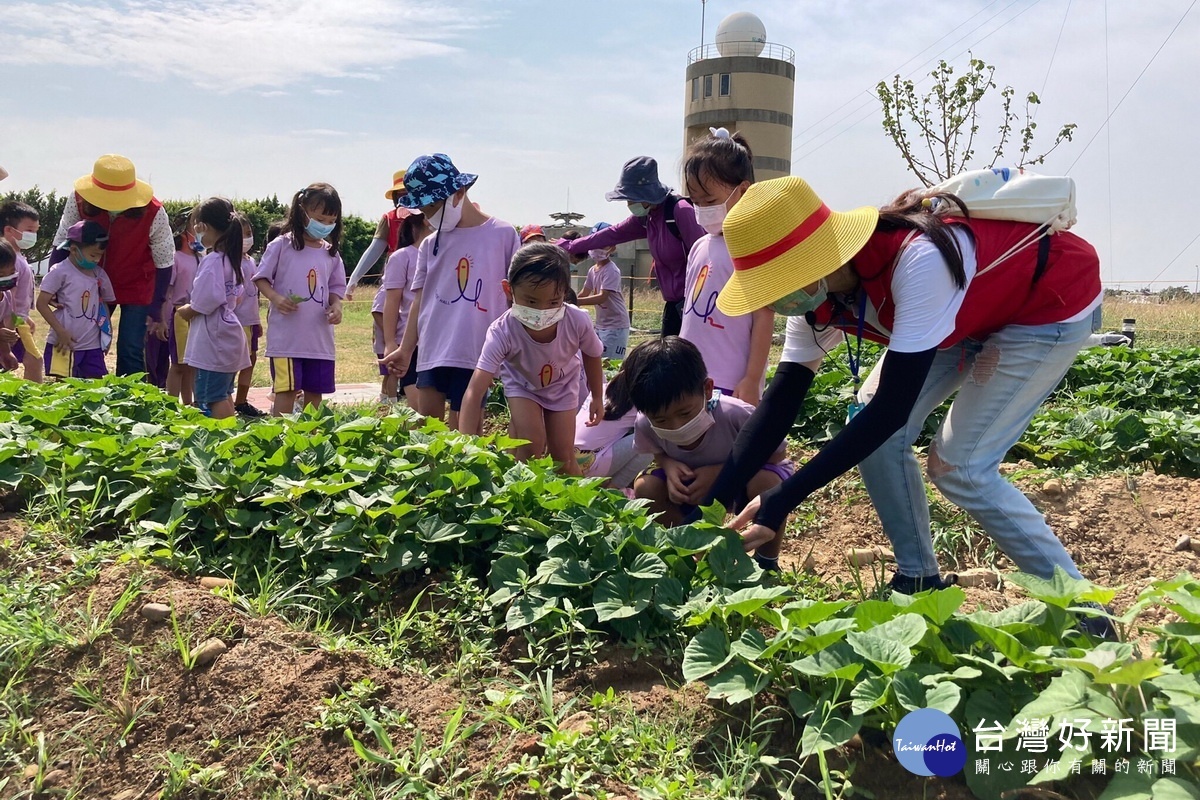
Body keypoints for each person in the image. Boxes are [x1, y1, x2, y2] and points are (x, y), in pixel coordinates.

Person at [704, 176, 1105, 602]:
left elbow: (893, 407)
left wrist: (784, 497)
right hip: (965, 316)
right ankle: (918, 579)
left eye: (774, 284)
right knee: (870, 427)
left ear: (814, 261)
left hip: (1044, 303)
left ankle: (1083, 609)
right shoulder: (812, 301)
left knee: (962, 466)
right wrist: (710, 506)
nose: (770, 301)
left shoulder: (918, 261)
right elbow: (781, 401)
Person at [617, 338, 793, 567]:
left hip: (745, 484)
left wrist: (720, 473)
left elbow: (776, 454)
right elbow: (656, 452)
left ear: (707, 389)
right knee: (645, 487)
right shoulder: (644, 424)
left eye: (685, 413)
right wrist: (668, 467)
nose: (675, 426)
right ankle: (694, 551)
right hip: (692, 488)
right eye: (661, 420)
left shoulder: (736, 414)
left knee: (768, 484)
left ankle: (766, 561)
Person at [380, 154, 520, 431]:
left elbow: (514, 296)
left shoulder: (502, 234)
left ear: (459, 192)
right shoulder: (430, 244)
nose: (429, 216)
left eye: (433, 206)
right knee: (429, 429)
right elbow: (420, 299)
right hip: (434, 348)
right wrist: (406, 349)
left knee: (468, 434)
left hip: (478, 351)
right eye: (424, 210)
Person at [458, 243, 604, 474]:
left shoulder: (577, 320)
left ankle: (574, 505)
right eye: (531, 302)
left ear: (565, 292)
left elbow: (593, 354)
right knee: (531, 445)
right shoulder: (502, 331)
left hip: (563, 386)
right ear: (509, 290)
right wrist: (465, 443)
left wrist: (597, 395)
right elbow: (475, 390)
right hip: (522, 386)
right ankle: (520, 499)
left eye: (553, 302)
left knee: (563, 456)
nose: (542, 311)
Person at [51, 155, 174, 377]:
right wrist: (55, 284)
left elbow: (164, 262)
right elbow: (62, 241)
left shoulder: (154, 211)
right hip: (89, 284)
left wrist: (157, 307)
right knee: (86, 341)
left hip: (137, 286)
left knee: (130, 348)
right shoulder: (78, 199)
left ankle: (131, 404)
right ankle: (84, 396)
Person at [556, 156, 704, 337]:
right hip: (673, 307)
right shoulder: (647, 217)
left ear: (647, 194)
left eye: (632, 198)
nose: (629, 204)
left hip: (695, 305)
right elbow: (612, 233)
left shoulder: (680, 211)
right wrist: (570, 245)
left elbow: (705, 258)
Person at [679, 129, 774, 406]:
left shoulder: (752, 247)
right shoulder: (700, 246)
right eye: (696, 203)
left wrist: (752, 378)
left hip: (732, 380)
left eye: (709, 202)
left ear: (743, 190)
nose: (702, 210)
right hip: (691, 374)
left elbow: (763, 319)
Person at [253, 184, 346, 415]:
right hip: (287, 341)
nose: (324, 225)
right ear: (302, 210)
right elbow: (261, 278)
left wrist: (336, 306)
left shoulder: (331, 252)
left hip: (319, 341)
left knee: (315, 392)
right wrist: (276, 298)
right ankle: (279, 440)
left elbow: (336, 289)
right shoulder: (282, 245)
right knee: (286, 390)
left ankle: (310, 440)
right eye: (319, 218)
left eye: (330, 220)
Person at [175, 199, 250, 419]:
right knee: (224, 393)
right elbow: (235, 297)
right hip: (228, 336)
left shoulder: (212, 260)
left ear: (203, 227)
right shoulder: (232, 260)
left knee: (212, 397)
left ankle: (223, 441)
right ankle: (230, 438)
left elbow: (206, 301)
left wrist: (186, 310)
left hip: (213, 341)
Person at [37, 221, 115, 380]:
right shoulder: (59, 272)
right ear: (73, 250)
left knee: (94, 389)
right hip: (64, 343)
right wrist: (61, 332)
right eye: (93, 255)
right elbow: (41, 304)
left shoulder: (99, 274)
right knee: (63, 387)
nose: (96, 260)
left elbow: (105, 304)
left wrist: (107, 333)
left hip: (92, 345)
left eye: (100, 256)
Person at [372, 212, 427, 406]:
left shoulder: (443, 256)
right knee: (417, 403)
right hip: (408, 338)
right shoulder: (402, 257)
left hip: (435, 339)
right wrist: (389, 342)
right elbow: (391, 301)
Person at [574, 368, 653, 491]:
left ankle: (607, 484)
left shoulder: (602, 388)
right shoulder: (639, 402)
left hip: (567, 458)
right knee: (652, 440)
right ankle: (614, 489)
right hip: (589, 464)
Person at [345, 170, 420, 298]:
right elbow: (374, 250)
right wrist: (354, 279)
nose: (405, 198)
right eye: (401, 194)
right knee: (381, 311)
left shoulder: (427, 218)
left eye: (408, 193)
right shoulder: (389, 219)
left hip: (420, 274)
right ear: (395, 197)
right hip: (394, 275)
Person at [0, 201, 45, 382]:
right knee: (34, 360)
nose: (33, 236)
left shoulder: (18, 257)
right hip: (12, 322)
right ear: (9, 230)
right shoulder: (11, 261)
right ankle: (33, 400)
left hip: (17, 320)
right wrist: (15, 324)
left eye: (35, 231)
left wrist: (25, 317)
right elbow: (11, 296)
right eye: (29, 231)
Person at [162, 216, 203, 404]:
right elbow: (168, 290)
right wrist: (163, 319)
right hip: (179, 315)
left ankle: (190, 405)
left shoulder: (200, 257)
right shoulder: (175, 258)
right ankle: (171, 406)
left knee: (192, 365)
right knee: (178, 364)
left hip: (197, 314)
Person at [575, 222, 630, 361]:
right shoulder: (592, 270)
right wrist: (568, 303)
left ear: (612, 248)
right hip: (601, 324)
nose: (597, 249)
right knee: (597, 360)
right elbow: (585, 292)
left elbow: (602, 297)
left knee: (610, 364)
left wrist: (574, 301)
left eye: (602, 245)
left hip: (616, 326)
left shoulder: (611, 270)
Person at [233, 218, 267, 417]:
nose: (247, 238)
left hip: (250, 320)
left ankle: (241, 401)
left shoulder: (251, 261)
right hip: (236, 322)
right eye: (242, 234)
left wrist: (257, 321)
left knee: (250, 360)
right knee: (234, 362)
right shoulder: (230, 261)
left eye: (249, 233)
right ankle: (225, 398)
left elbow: (255, 291)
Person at [0, 240, 22, 371]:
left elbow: (1, 322)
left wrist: (6, 352)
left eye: (12, 272)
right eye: (1, 275)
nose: (8, 278)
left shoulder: (6, 295)